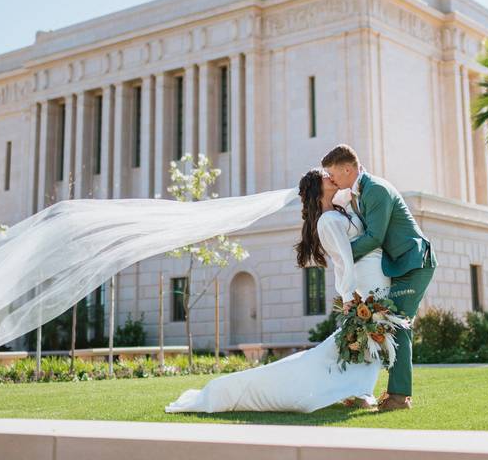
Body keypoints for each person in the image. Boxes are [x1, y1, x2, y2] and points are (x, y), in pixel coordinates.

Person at [164, 169, 390, 413]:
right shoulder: (328, 220)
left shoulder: (339, 209)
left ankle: (358, 391)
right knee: (358, 342)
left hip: (370, 284)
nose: (331, 177)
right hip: (361, 291)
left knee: (360, 342)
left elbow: (356, 187)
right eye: (326, 176)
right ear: (317, 189)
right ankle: (357, 391)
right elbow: (342, 261)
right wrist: (349, 297)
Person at [321, 144, 437, 412]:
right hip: (398, 267)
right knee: (385, 325)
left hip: (414, 264)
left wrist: (342, 254)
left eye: (334, 174)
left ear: (348, 169)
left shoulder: (376, 190)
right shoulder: (360, 192)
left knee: (398, 325)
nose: (332, 179)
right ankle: (369, 391)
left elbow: (375, 237)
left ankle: (398, 397)